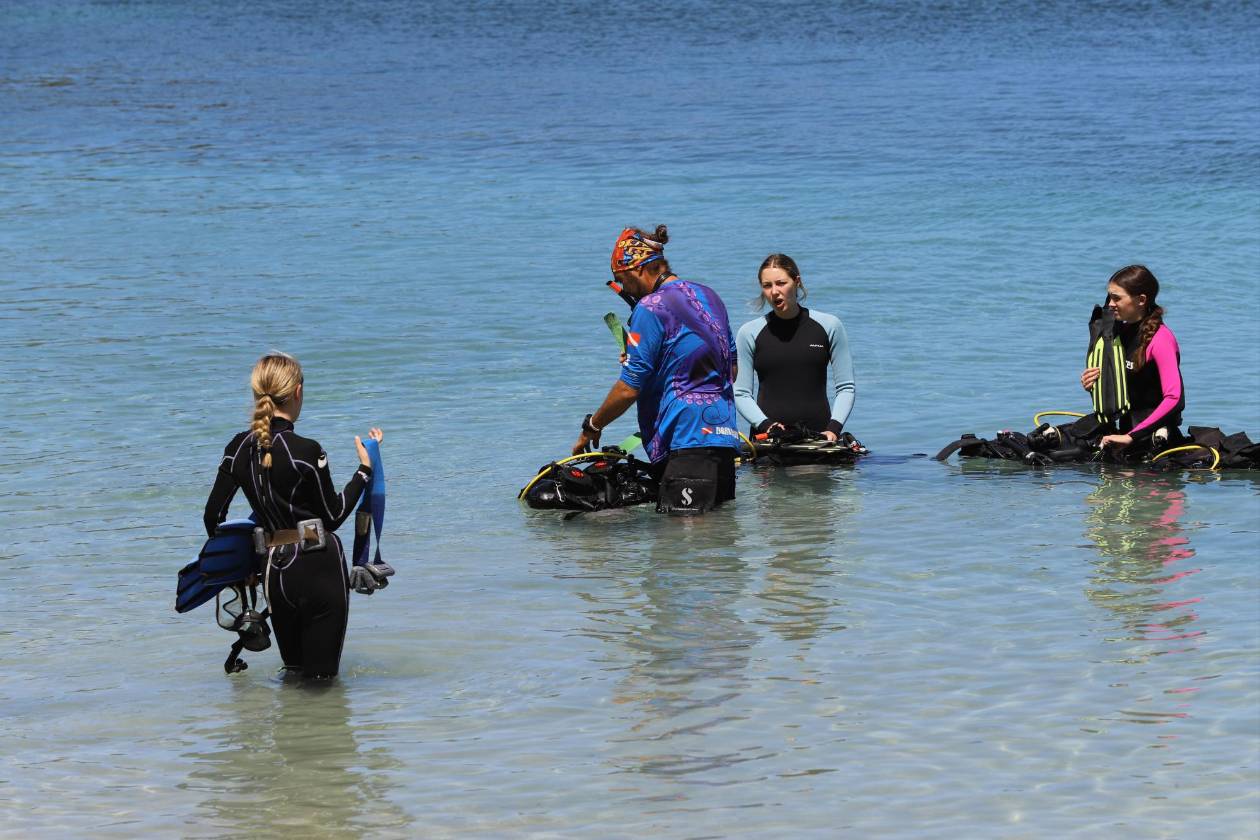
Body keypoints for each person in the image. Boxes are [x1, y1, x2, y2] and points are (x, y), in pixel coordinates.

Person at [203, 352, 384, 679]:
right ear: (298, 391)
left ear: (256, 393)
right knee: (322, 682)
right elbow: (333, 515)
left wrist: (244, 569)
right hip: (319, 568)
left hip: (273, 570)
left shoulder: (236, 449)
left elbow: (213, 518)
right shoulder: (307, 451)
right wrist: (364, 471)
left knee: (294, 676)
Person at [572, 225, 740, 515]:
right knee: (719, 537)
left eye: (621, 279)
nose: (623, 288)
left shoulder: (650, 307)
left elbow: (628, 389)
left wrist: (592, 426)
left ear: (637, 269)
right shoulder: (709, 296)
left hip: (685, 441)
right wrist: (658, 362)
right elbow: (730, 369)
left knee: (681, 538)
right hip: (723, 439)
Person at [733, 254, 855, 440]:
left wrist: (833, 428)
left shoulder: (829, 325)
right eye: (767, 285)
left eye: (781, 283)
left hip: (819, 439)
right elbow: (740, 393)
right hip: (768, 440)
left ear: (797, 282)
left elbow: (846, 387)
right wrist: (767, 425)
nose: (774, 291)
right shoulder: (749, 332)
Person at [1080, 265, 1184, 451]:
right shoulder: (1118, 334)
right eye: (1109, 297)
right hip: (1124, 431)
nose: (1110, 304)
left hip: (1155, 438)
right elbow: (1124, 389)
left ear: (1141, 300)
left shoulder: (1161, 339)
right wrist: (1093, 385)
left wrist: (1131, 437)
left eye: (1117, 298)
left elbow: (1175, 398)